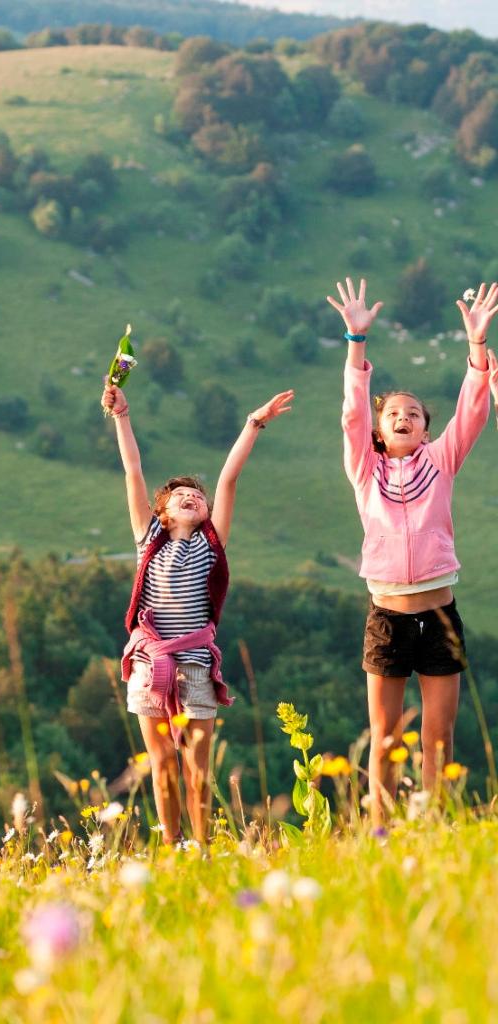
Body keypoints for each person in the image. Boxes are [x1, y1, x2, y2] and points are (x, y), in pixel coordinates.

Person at [327, 277, 494, 825]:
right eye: (393, 413)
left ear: (426, 431)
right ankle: (379, 827)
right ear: (378, 431)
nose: (403, 417)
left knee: (438, 736)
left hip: (439, 616)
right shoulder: (365, 469)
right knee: (386, 736)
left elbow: (471, 413)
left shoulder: (441, 461)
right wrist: (356, 342)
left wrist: (476, 348)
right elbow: (352, 415)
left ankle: (433, 825)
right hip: (387, 618)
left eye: (415, 415)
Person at [101, 379, 294, 845]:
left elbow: (228, 478)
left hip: (197, 666)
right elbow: (132, 470)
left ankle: (203, 846)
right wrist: (122, 416)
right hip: (149, 665)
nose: (191, 496)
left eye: (197, 496)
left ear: (207, 512)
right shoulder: (150, 539)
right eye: (179, 495)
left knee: (196, 768)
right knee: (163, 764)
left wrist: (254, 423)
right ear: (160, 511)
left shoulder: (212, 544)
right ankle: (171, 846)